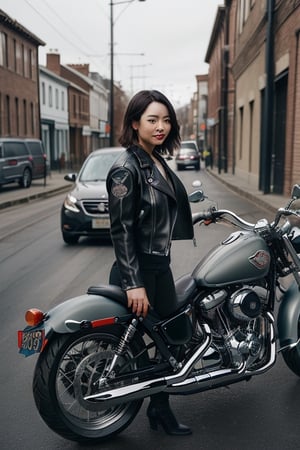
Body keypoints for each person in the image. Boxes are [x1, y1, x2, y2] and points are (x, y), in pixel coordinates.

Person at [106, 90, 194, 436]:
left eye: (166, 119)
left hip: (159, 267)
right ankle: (155, 409)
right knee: (147, 346)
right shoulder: (126, 170)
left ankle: (159, 409)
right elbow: (122, 231)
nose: (161, 126)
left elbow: (157, 212)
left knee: (173, 341)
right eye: (152, 120)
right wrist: (133, 283)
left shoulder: (154, 159)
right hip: (139, 271)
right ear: (134, 123)